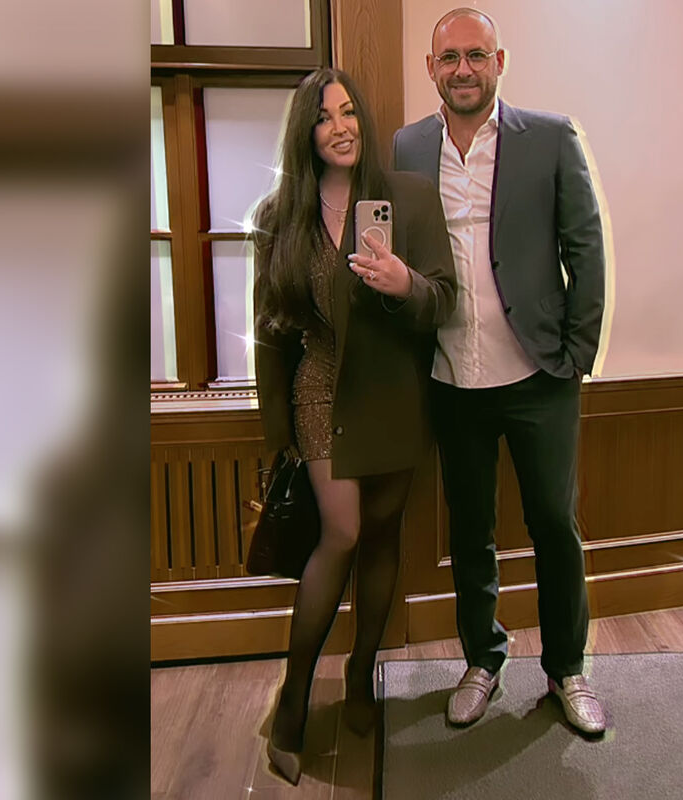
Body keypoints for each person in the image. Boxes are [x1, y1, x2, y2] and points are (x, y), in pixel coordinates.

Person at [393, 8, 608, 735]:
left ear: (499, 62)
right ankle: (482, 661)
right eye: (450, 57)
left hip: (539, 376)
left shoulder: (549, 138)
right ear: (431, 68)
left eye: (476, 55)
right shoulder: (407, 147)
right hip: (451, 378)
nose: (463, 69)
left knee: (555, 526)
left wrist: (575, 356)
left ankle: (567, 669)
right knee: (471, 532)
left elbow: (585, 248)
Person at [252, 68, 457, 785]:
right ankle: (293, 700)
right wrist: (275, 430)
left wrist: (405, 285)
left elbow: (445, 298)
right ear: (305, 133)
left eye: (348, 112)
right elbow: (269, 330)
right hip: (319, 386)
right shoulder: (281, 214)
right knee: (340, 531)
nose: (340, 127)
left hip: (394, 390)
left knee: (382, 535)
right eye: (323, 117)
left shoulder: (410, 197)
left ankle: (364, 672)